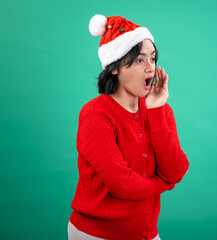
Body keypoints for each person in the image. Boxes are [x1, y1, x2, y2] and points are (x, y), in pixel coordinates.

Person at [67, 14, 189, 240]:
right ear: (115, 67)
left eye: (153, 59)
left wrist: (156, 110)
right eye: (140, 60)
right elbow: (122, 184)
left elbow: (175, 170)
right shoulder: (95, 114)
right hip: (96, 234)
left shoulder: (160, 110)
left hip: (146, 233)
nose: (150, 67)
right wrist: (163, 184)